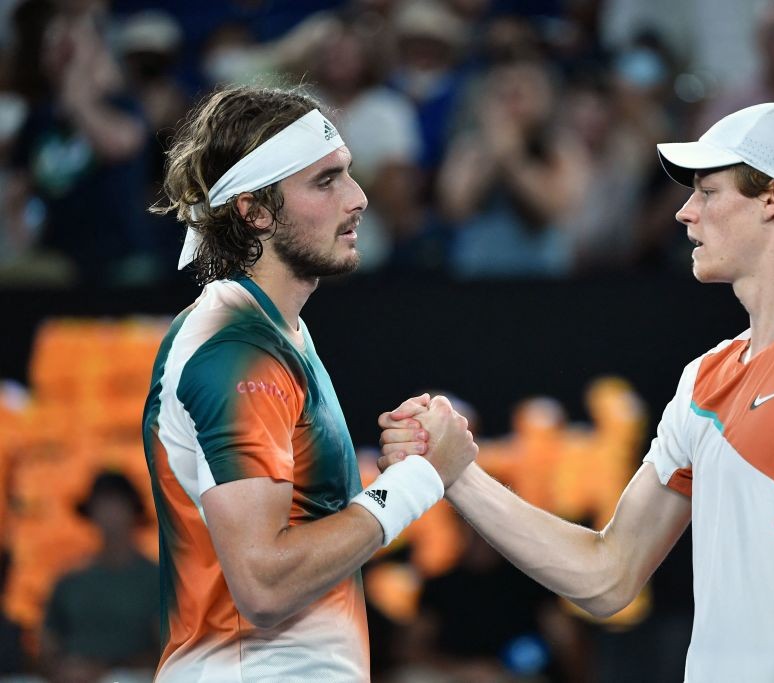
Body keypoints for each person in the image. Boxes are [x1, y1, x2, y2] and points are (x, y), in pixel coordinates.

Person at [380, 102, 774, 681]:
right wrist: (457, 474)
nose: (685, 212)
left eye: (708, 192)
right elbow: (608, 576)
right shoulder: (705, 377)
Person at [142, 85, 477, 682]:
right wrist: (419, 480)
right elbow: (265, 584)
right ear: (255, 212)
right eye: (325, 182)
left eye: (346, 172)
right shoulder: (238, 349)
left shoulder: (277, 331)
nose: (358, 197)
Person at [42, 472, 159, 682]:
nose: (109, 514)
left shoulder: (157, 580)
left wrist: (106, 670)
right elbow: (49, 644)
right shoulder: (71, 581)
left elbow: (169, 648)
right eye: (102, 505)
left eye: (116, 505)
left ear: (133, 511)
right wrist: (62, 668)